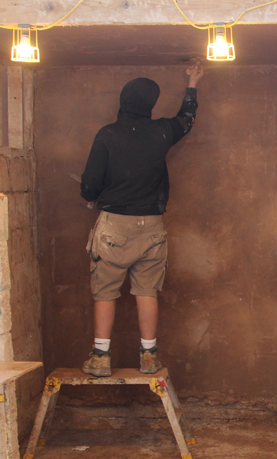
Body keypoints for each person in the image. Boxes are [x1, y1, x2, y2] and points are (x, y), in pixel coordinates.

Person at [79, 65, 203, 377]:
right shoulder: (162, 132)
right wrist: (192, 83)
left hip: (114, 226)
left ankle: (100, 358)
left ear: (123, 101)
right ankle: (149, 356)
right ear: (150, 104)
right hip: (152, 226)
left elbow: (89, 184)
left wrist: (93, 195)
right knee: (147, 291)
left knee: (105, 291)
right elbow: (186, 119)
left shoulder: (108, 134)